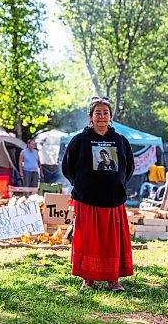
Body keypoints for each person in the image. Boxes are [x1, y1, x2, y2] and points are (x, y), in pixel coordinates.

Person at [62, 96, 134, 292]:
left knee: (113, 243)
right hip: (87, 200)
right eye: (97, 113)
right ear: (91, 117)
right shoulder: (80, 140)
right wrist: (82, 185)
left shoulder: (120, 141)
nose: (101, 117)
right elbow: (68, 166)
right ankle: (88, 279)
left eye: (105, 113)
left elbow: (128, 168)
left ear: (111, 117)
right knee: (88, 241)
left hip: (113, 200)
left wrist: (115, 184)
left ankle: (113, 280)